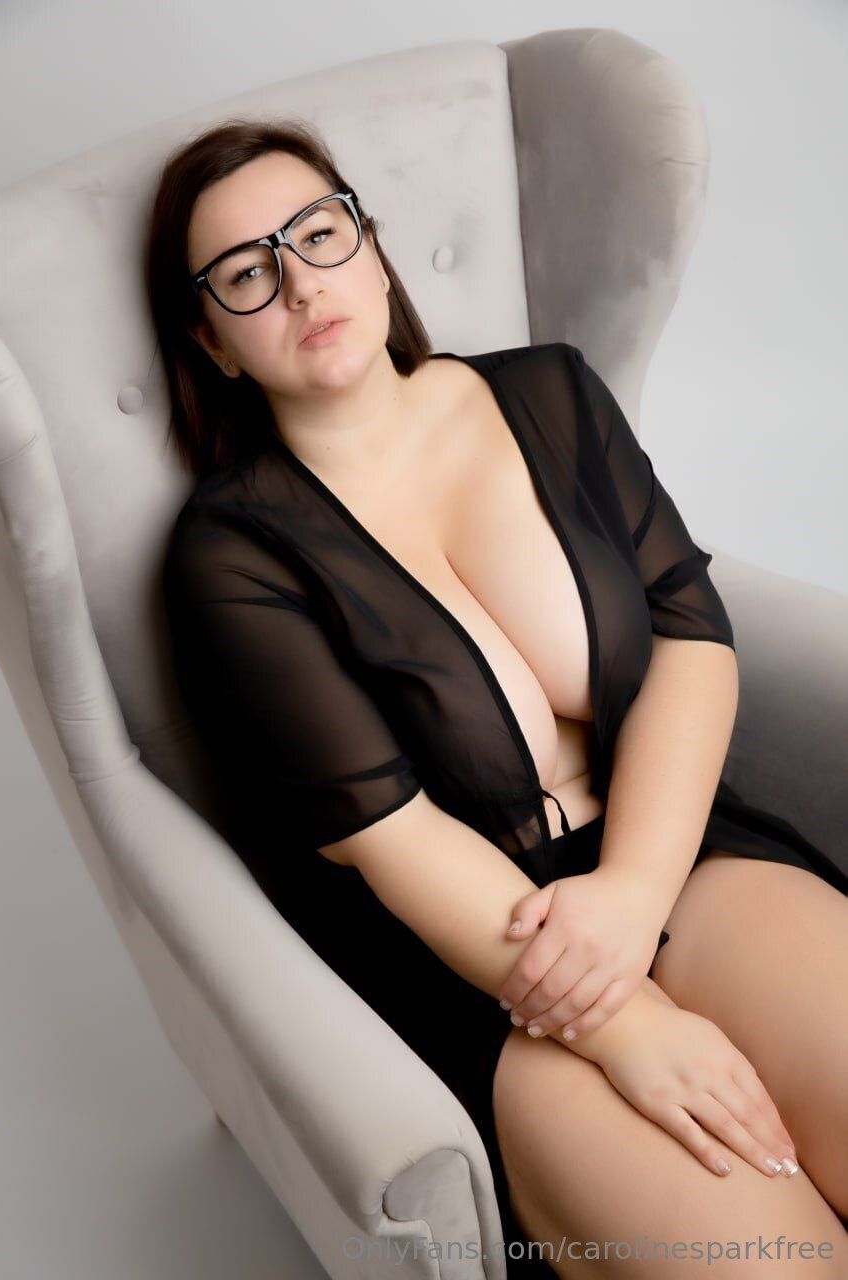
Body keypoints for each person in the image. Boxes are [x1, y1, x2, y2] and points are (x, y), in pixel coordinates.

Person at [152, 118, 848, 1277]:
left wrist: (633, 888)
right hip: (481, 967)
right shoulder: (231, 551)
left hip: (675, 852)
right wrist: (627, 1024)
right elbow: (390, 834)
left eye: (316, 234)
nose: (299, 282)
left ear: (370, 251)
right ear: (213, 339)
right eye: (244, 273)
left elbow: (688, 630)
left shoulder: (549, 391)